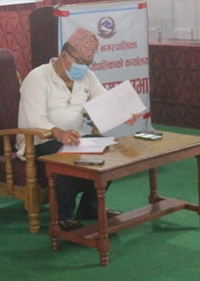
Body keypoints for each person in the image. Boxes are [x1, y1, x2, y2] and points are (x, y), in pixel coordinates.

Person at [18, 27, 139, 231]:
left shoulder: (86, 76)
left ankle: (89, 207)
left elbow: (105, 100)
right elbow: (35, 119)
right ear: (64, 55)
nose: (84, 67)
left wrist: (125, 113)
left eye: (88, 63)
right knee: (65, 157)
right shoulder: (37, 77)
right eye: (81, 61)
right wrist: (59, 133)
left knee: (111, 151)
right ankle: (64, 216)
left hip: (75, 140)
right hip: (39, 142)